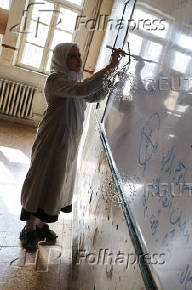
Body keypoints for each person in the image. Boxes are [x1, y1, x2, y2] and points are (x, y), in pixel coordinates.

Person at [18, 42, 125, 252]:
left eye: (79, 55)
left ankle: (40, 224)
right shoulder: (56, 80)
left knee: (56, 181)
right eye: (73, 56)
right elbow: (83, 89)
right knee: (41, 180)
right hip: (52, 139)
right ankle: (29, 228)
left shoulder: (74, 80)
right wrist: (109, 67)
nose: (79, 59)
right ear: (61, 59)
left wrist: (114, 81)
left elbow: (93, 95)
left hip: (68, 140)